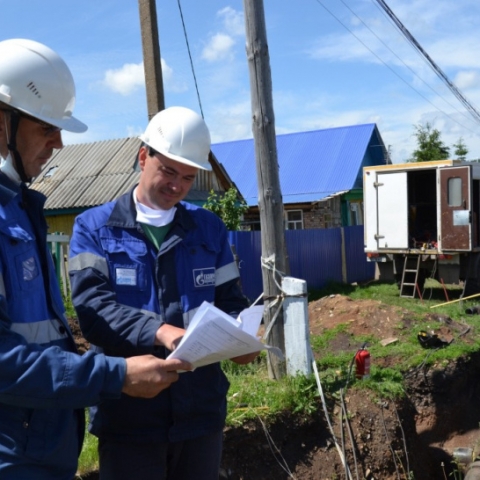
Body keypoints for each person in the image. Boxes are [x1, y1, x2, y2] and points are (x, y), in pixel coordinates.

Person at [0, 38, 191, 480]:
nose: (59, 143)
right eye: (47, 127)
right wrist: (114, 375)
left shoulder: (21, 209)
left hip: (43, 447)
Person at [68, 106, 258, 480]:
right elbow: (93, 310)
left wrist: (243, 339)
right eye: (168, 171)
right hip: (129, 419)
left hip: (201, 415)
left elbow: (231, 302)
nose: (176, 186)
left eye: (187, 177)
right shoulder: (93, 228)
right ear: (143, 157)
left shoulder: (208, 229)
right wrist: (161, 331)